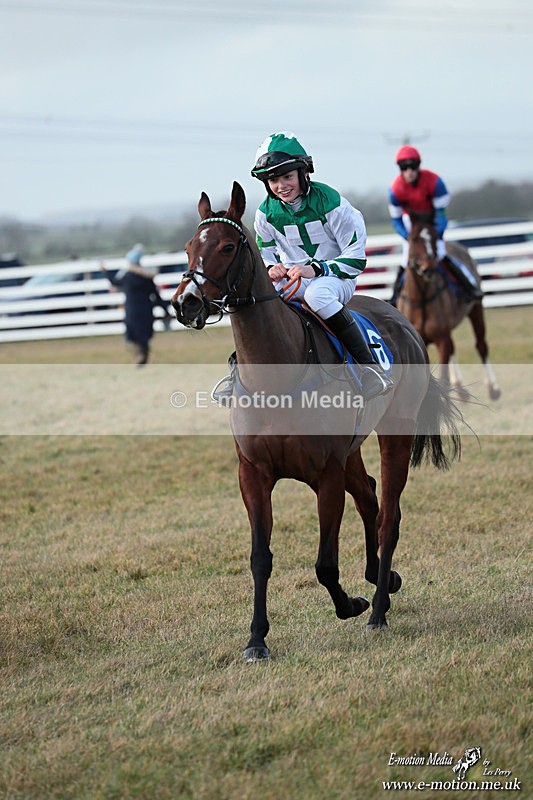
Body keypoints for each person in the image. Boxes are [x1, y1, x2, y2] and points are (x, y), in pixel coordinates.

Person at [214, 131, 392, 401]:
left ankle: (369, 368)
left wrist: (317, 270)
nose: (282, 186)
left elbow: (356, 258)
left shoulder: (332, 203)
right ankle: (238, 372)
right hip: (292, 279)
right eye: (274, 180)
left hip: (336, 278)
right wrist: (272, 266)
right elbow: (266, 252)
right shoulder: (265, 213)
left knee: (316, 294)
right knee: (255, 300)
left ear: (302, 173)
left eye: (287, 177)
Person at [388, 145, 483, 305]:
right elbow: (396, 220)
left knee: (440, 253)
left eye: (413, 166)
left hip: (431, 222)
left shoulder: (435, 182)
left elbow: (441, 214)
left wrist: (436, 234)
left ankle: (470, 287)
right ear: (400, 169)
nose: (409, 171)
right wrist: (408, 237)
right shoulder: (395, 190)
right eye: (404, 167)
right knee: (406, 260)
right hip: (410, 224)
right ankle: (395, 298)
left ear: (419, 166)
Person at [100, 244, 171, 366]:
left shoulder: (127, 277)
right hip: (146, 310)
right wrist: (166, 311)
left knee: (131, 337)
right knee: (144, 336)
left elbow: (114, 281)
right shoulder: (146, 277)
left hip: (132, 311)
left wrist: (105, 271)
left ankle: (140, 356)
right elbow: (156, 296)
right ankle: (143, 354)